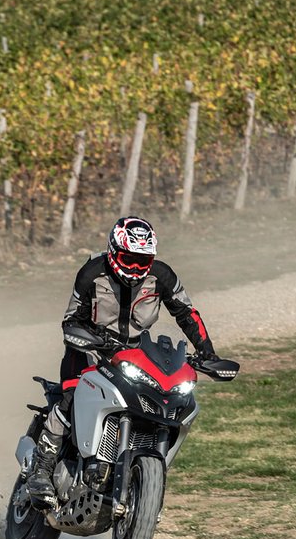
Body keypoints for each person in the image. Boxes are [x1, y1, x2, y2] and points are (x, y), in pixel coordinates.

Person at [27, 216, 217, 505]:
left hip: (132, 354)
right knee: (71, 395)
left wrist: (207, 352)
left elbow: (187, 314)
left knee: (157, 398)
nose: (136, 267)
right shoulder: (92, 271)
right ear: (114, 250)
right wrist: (86, 338)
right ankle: (42, 468)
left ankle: (135, 473)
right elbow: (71, 319)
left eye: (143, 260)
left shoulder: (162, 276)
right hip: (88, 348)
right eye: (129, 258)